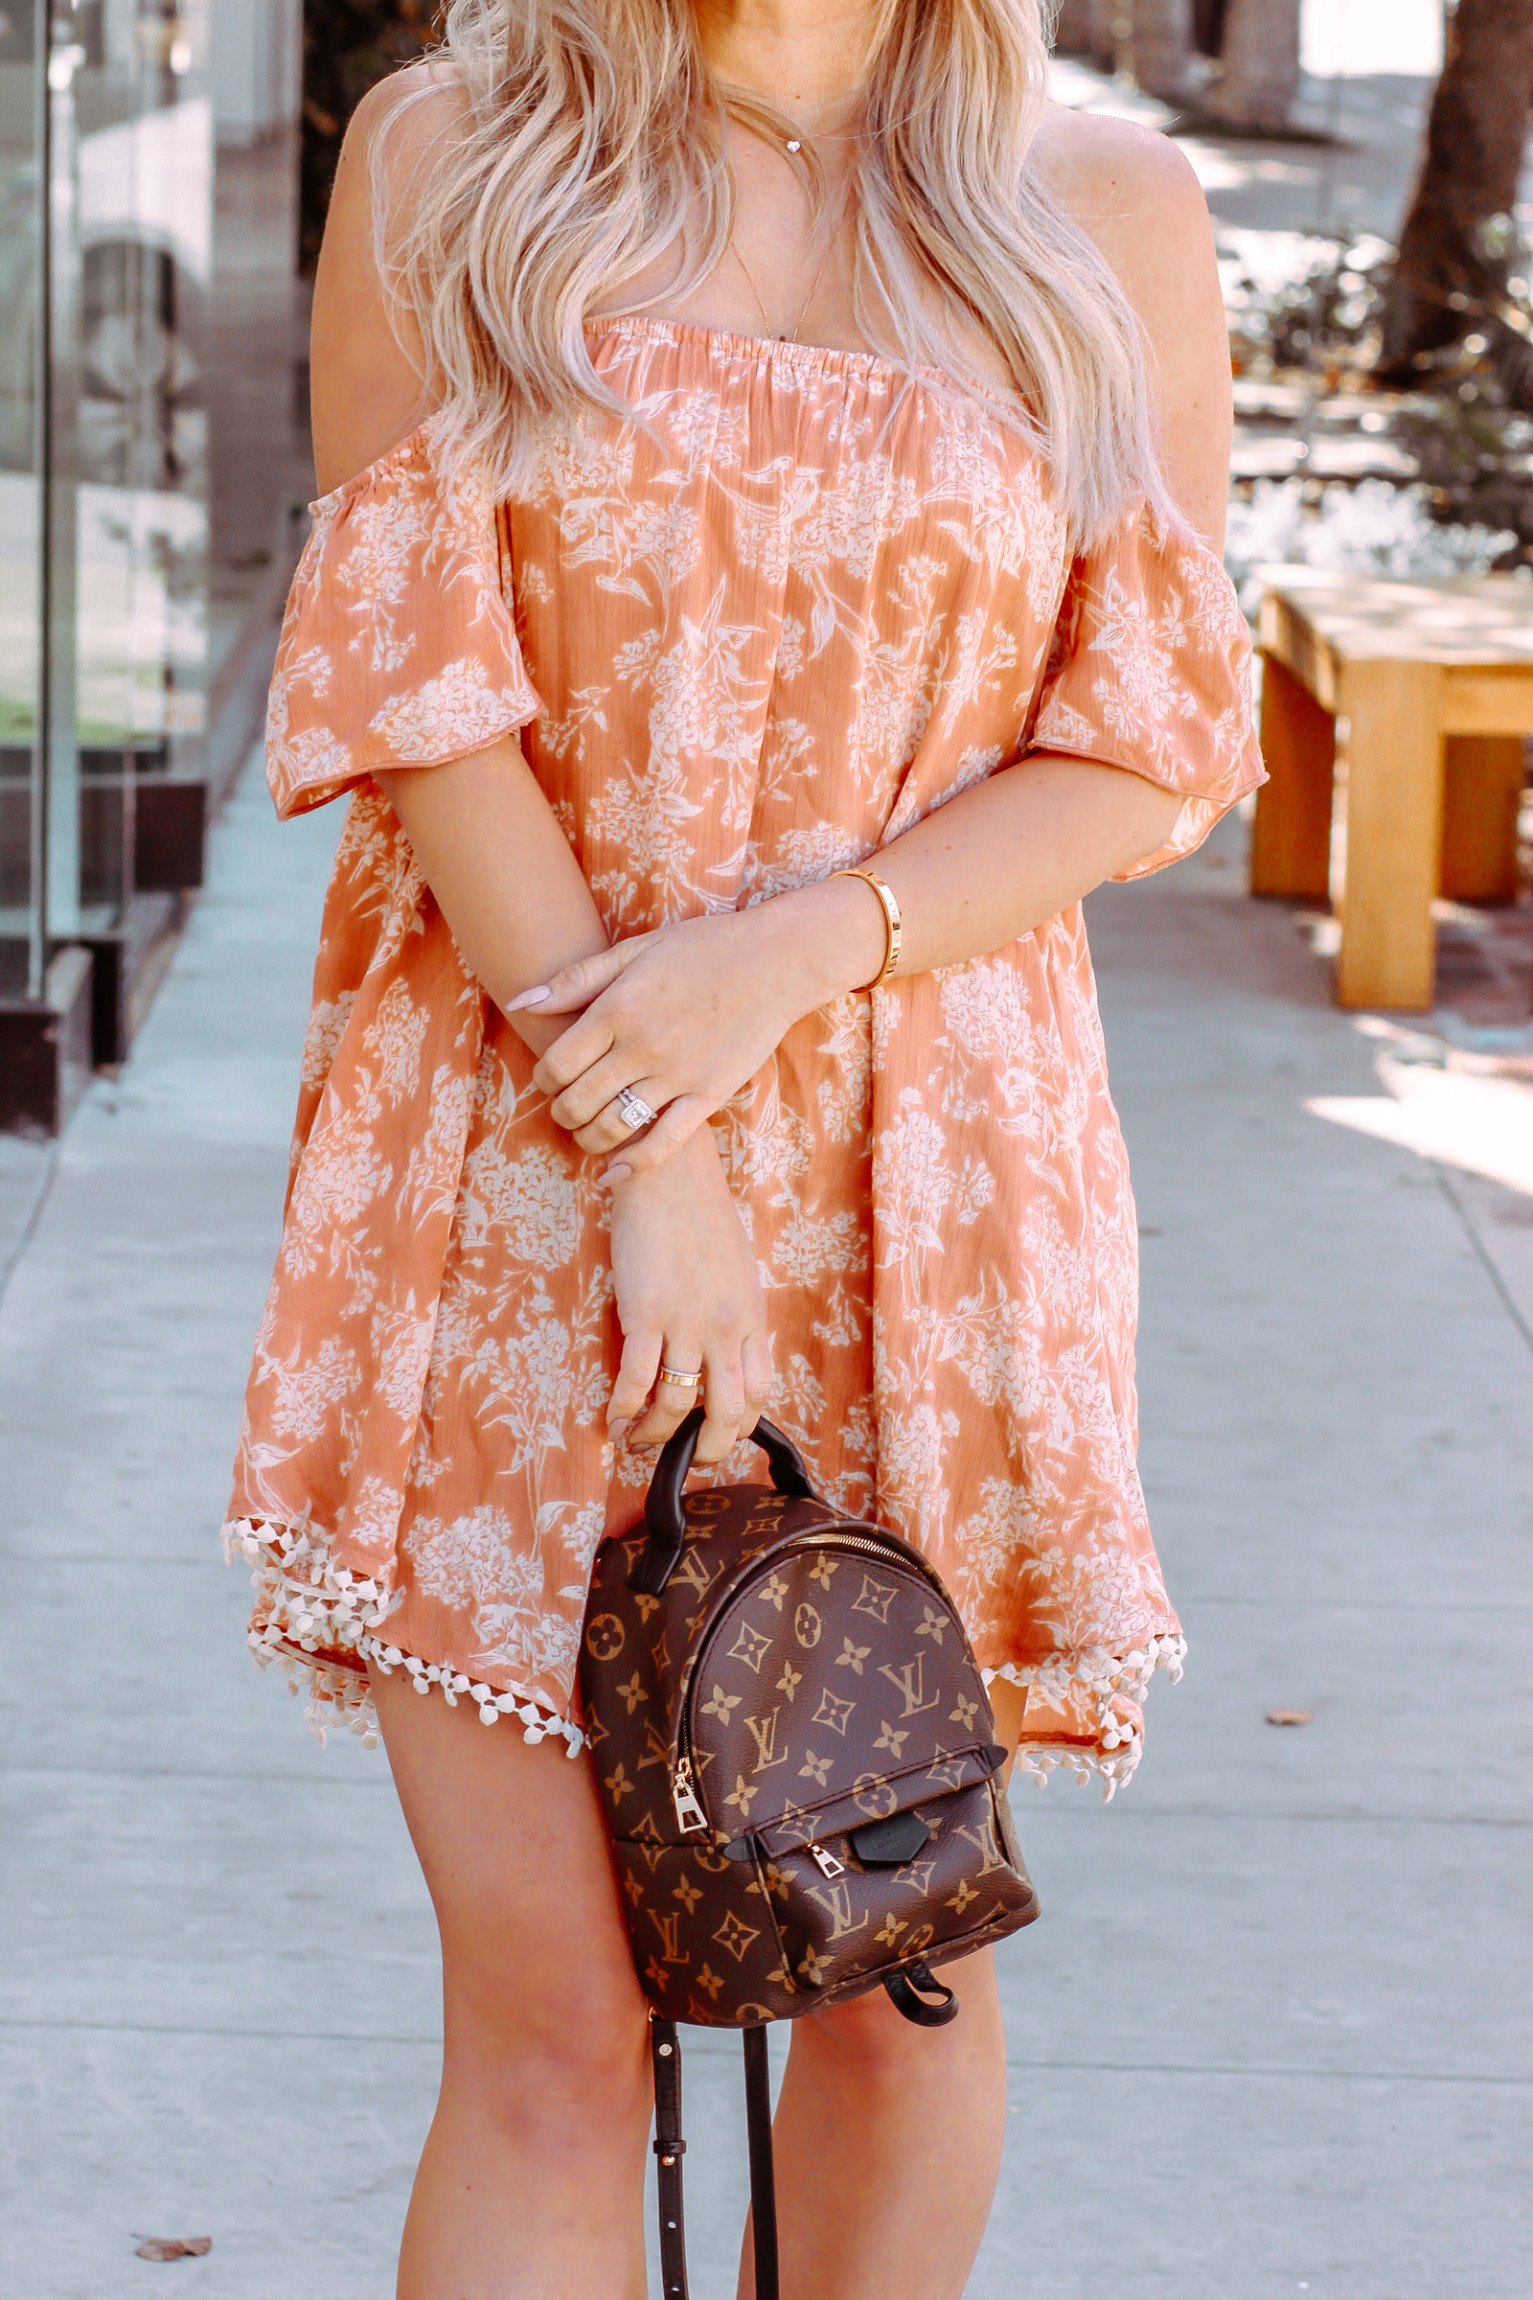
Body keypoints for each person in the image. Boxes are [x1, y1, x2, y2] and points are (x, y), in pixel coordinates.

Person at [224, 0, 1259, 2291]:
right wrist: (650, 1159)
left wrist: (791, 952)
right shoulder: (448, 148)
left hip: (934, 1192)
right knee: (548, 2032)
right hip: (510, 1163)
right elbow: (413, 685)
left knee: (893, 1975)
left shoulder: (1097, 211)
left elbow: (1147, 743)